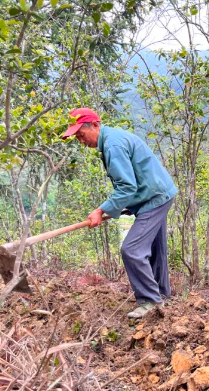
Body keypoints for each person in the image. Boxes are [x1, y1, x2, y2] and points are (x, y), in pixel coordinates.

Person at [62, 108, 178, 318]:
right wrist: (126, 206)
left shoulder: (113, 145)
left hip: (155, 199)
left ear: (95, 125)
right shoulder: (113, 138)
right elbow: (134, 180)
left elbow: (126, 186)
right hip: (156, 194)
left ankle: (151, 302)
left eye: (81, 135)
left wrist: (101, 210)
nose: (81, 141)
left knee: (132, 250)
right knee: (153, 248)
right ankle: (161, 295)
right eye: (77, 137)